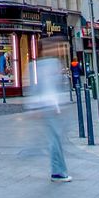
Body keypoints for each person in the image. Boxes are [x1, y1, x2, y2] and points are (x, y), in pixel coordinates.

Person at [26, 40, 71, 182]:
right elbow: (39, 87)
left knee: (55, 138)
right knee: (55, 139)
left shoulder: (44, 64)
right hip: (49, 106)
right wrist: (35, 107)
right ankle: (58, 172)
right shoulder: (45, 65)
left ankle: (58, 170)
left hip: (51, 106)